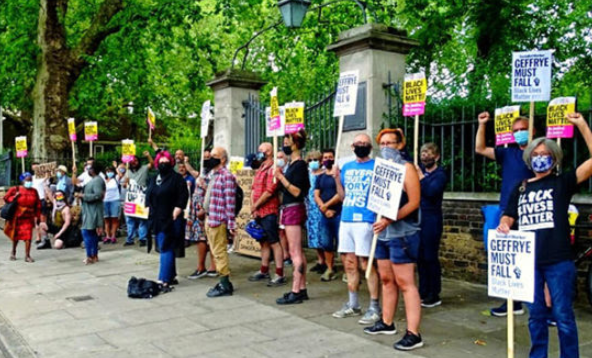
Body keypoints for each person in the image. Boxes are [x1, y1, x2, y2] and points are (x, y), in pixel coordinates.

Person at [497, 112, 591, 358]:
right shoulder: (522, 187)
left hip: (558, 260)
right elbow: (509, 215)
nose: (540, 158)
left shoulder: (563, 183)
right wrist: (505, 225)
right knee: (536, 315)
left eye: (545, 155)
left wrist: (581, 125)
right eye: (536, 155)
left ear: (554, 158)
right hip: (529, 263)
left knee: (563, 316)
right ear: (529, 159)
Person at [363, 129, 423, 351]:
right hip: (384, 233)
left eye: (391, 143)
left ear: (400, 145)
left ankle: (414, 333)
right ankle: (387, 322)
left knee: (406, 283)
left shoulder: (407, 169)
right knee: (386, 279)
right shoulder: (380, 170)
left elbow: (414, 202)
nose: (387, 147)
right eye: (383, 143)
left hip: (402, 232)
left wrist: (390, 219)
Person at [475, 111, 533, 316]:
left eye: (522, 130)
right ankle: (512, 302)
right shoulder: (508, 153)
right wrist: (482, 124)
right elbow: (480, 148)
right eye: (515, 131)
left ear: (532, 130)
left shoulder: (540, 153)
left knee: (535, 258)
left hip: (531, 211)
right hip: (507, 210)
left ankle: (546, 308)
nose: (519, 134)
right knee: (510, 257)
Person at [332, 133, 381, 325]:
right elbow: (343, 196)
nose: (361, 146)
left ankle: (374, 306)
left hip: (366, 220)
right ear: (352, 146)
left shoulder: (376, 166)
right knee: (349, 263)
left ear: (370, 147)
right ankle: (353, 304)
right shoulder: (346, 167)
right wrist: (336, 179)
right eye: (358, 143)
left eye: (365, 143)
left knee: (366, 264)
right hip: (347, 219)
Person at [275, 129, 311, 305]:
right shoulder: (293, 165)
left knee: (295, 251)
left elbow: (296, 191)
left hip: (293, 209)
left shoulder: (299, 166)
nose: (285, 144)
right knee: (298, 251)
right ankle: (301, 288)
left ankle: (296, 289)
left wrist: (281, 178)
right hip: (290, 208)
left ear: (295, 143)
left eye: (287, 141)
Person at [146, 151, 188, 291]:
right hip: (157, 218)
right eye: (161, 162)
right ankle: (171, 275)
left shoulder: (177, 179)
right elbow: (149, 194)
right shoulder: (154, 179)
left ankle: (163, 279)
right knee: (164, 246)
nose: (163, 164)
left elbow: (183, 195)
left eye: (166, 161)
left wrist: (178, 208)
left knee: (166, 247)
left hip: (171, 218)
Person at [248, 142, 286, 286]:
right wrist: (254, 207)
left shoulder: (274, 169)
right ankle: (264, 269)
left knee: (274, 242)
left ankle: (279, 273)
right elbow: (254, 188)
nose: (258, 152)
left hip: (269, 211)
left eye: (261, 150)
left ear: (269, 152)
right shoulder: (261, 168)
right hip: (259, 211)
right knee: (263, 241)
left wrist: (255, 205)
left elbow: (270, 191)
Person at [415, 143, 447, 308]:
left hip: (432, 219)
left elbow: (431, 192)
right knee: (420, 256)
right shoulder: (418, 170)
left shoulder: (439, 175)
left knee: (430, 256)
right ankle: (423, 290)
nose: (424, 156)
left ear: (436, 156)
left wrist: (421, 178)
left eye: (428, 153)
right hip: (418, 217)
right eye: (422, 152)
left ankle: (434, 293)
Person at [203, 147, 237, 297]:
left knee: (219, 252)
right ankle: (224, 281)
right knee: (215, 251)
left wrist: (231, 224)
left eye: (215, 156)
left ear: (223, 159)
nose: (211, 158)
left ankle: (224, 283)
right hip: (210, 217)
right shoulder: (213, 175)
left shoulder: (226, 176)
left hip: (218, 219)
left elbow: (230, 202)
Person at [313, 148, 342, 281]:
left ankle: (348, 270)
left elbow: (340, 194)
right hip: (325, 215)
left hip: (338, 213)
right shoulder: (320, 177)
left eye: (330, 157)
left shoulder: (339, 175)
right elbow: (316, 194)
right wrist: (324, 209)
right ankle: (330, 269)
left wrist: (327, 205)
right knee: (326, 243)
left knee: (342, 244)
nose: (327, 159)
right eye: (325, 157)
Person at [3, 172, 41, 262]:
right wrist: (14, 197)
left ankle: (27, 255)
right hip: (17, 217)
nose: (29, 182)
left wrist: (38, 217)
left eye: (31, 180)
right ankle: (13, 252)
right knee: (16, 236)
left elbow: (38, 205)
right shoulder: (15, 189)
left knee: (28, 236)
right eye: (28, 180)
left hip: (28, 217)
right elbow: (5, 198)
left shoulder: (34, 191)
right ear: (23, 181)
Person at [73, 161, 105, 265]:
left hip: (93, 210)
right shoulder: (94, 180)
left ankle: (90, 255)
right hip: (89, 209)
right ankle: (93, 255)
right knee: (91, 233)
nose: (88, 170)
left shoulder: (97, 181)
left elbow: (98, 195)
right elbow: (75, 182)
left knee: (86, 232)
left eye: (90, 169)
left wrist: (83, 196)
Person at [123, 151, 154, 247]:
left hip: (141, 199)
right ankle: (130, 239)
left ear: (139, 161)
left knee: (142, 220)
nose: (134, 162)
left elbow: (152, 164)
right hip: (131, 199)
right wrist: (125, 183)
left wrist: (148, 156)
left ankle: (142, 239)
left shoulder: (144, 169)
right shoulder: (127, 172)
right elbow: (124, 186)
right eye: (132, 161)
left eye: (136, 161)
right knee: (130, 220)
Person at [305, 150, 327, 276]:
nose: (313, 162)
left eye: (316, 160)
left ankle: (326, 261)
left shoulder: (323, 174)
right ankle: (320, 260)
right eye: (310, 160)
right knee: (313, 234)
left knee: (322, 233)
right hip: (310, 208)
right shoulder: (307, 174)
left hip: (321, 206)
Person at [276, 150, 292, 266]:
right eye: (277, 157)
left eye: (281, 157)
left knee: (290, 232)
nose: (279, 159)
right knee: (281, 231)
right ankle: (285, 254)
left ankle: (292, 253)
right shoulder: (275, 170)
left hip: (289, 204)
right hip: (279, 205)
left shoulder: (290, 170)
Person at [103, 166, 121, 244]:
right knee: (106, 219)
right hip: (105, 200)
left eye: (111, 171)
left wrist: (116, 167)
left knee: (114, 218)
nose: (109, 173)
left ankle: (113, 235)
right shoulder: (103, 179)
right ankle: (107, 236)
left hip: (115, 200)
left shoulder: (116, 178)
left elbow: (120, 174)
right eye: (108, 171)